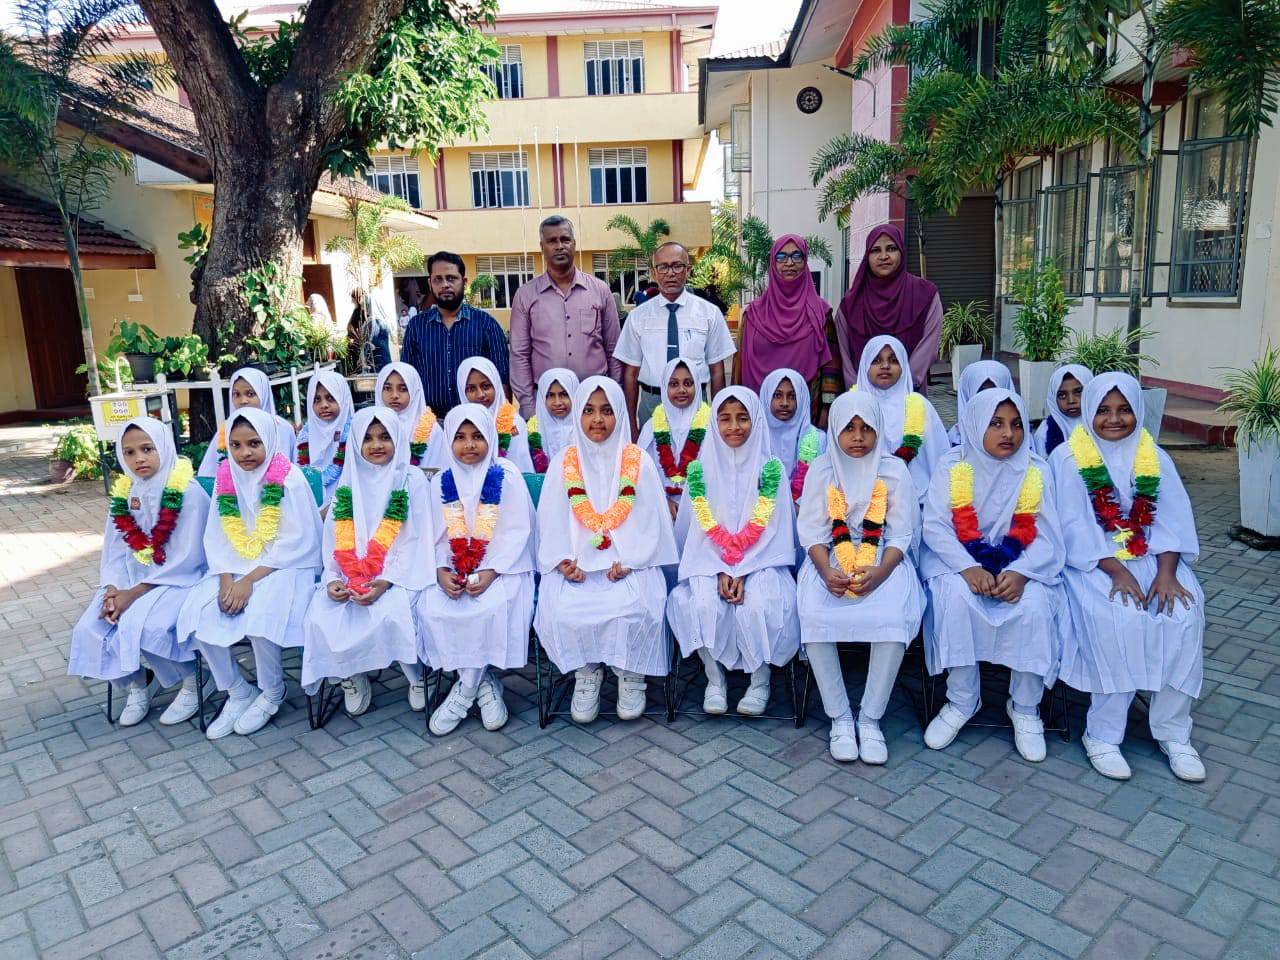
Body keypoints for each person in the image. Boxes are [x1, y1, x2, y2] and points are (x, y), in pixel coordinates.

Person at [1053, 373, 1206, 782]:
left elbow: (1172, 519)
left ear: (1138, 411)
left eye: (1124, 410)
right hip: (1094, 561)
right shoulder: (1068, 458)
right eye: (1103, 410)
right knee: (1119, 618)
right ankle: (1103, 734)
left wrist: (1168, 573)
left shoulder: (1153, 455)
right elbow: (1073, 528)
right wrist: (1118, 571)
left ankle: (1173, 732)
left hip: (1155, 558)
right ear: (1089, 412)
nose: (1114, 419)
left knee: (1184, 614)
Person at [920, 389, 1065, 763]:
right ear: (974, 425)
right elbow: (935, 526)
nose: (1009, 434)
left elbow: (1048, 536)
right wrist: (967, 567)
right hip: (959, 562)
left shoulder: (1036, 469)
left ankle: (1025, 707)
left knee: (1035, 607)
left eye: (1016, 424)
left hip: (1022, 567)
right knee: (954, 599)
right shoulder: (953, 465)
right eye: (996, 423)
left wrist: (1019, 572)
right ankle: (962, 699)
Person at [535, 377, 677, 723]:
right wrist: (563, 561)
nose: (597, 420)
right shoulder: (564, 462)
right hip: (577, 567)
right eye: (588, 410)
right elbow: (551, 522)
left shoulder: (638, 461)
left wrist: (629, 560)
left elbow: (652, 524)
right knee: (561, 607)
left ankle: (632, 674)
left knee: (636, 603)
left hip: (628, 564)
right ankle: (586, 673)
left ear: (620, 415)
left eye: (607, 411)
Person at [177, 408, 322, 739]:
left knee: (261, 616)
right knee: (198, 614)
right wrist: (226, 579)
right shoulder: (226, 478)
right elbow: (217, 535)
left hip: (285, 565)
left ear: (268, 441)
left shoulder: (288, 478)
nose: (245, 453)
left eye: (254, 443)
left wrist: (249, 581)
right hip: (234, 564)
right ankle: (238, 690)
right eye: (236, 445)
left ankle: (272, 690)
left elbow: (299, 540)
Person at [796, 392, 925, 764]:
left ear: (878, 430)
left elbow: (901, 534)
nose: (857, 437)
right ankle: (839, 717)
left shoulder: (894, 471)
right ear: (835, 430)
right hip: (829, 560)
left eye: (866, 428)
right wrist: (826, 572)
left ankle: (869, 719)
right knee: (814, 613)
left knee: (892, 616)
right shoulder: (822, 470)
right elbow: (811, 533)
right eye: (849, 428)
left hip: (884, 560)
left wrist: (882, 572)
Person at [69, 417, 211, 726]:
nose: (139, 459)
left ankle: (194, 680)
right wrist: (112, 590)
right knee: (89, 628)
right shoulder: (126, 495)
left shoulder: (188, 492)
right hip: (130, 581)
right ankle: (139, 681)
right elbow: (115, 551)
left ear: (164, 446)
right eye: (129, 452)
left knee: (146, 625)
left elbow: (188, 558)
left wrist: (132, 595)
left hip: (180, 580)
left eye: (147, 449)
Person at [667, 387, 799, 715]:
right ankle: (715, 680)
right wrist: (720, 570)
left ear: (756, 420)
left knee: (761, 603)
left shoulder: (771, 470)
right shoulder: (700, 471)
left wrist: (744, 570)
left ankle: (760, 680)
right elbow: (695, 533)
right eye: (725, 419)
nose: (734, 427)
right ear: (714, 423)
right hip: (709, 563)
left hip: (764, 563)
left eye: (742, 418)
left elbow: (778, 533)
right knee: (701, 602)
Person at [302, 407, 431, 716]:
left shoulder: (410, 479)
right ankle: (351, 674)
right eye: (368, 438)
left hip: (401, 573)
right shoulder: (347, 482)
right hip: (350, 572)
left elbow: (418, 539)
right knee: (322, 615)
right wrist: (334, 579)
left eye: (385, 437)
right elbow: (334, 542)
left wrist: (385, 580)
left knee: (392, 612)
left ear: (397, 439)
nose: (376, 445)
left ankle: (416, 677)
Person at [417, 404, 537, 735]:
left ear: (490, 438)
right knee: (432, 606)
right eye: (460, 437)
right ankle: (484, 685)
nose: (469, 445)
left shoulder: (506, 475)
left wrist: (491, 571)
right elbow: (435, 536)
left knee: (490, 607)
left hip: (505, 569)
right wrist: (441, 570)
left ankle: (464, 693)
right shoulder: (442, 480)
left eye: (477, 436)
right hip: (455, 568)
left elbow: (518, 532)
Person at [615, 241, 736, 436]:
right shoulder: (638, 317)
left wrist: (718, 418)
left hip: (697, 403)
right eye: (663, 267)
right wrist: (631, 424)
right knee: (653, 454)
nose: (670, 273)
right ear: (654, 273)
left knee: (697, 454)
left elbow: (717, 370)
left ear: (688, 270)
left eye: (677, 266)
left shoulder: (709, 314)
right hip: (652, 403)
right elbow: (630, 373)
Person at [509, 215, 622, 417]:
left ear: (574, 244)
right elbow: (519, 354)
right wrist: (528, 406)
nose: (559, 246)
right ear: (542, 247)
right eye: (552, 241)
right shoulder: (525, 295)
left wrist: (613, 395)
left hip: (595, 398)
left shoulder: (600, 290)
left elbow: (613, 348)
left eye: (565, 239)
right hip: (547, 402)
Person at [737, 236, 842, 425]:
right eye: (781, 257)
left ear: (805, 261)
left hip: (807, 414)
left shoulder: (821, 313)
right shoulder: (752, 315)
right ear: (773, 263)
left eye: (796, 256)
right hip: (759, 414)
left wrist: (827, 411)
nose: (789, 263)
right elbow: (739, 366)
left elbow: (831, 366)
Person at [399, 252, 511, 416]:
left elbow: (502, 380)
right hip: (430, 423)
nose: (445, 285)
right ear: (430, 283)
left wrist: (502, 423)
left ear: (464, 282)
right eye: (438, 279)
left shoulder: (486, 324)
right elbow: (406, 379)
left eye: (451, 278)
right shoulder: (416, 327)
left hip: (476, 421)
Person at [836, 224, 942, 393]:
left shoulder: (925, 294)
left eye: (891, 248)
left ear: (901, 252)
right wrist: (857, 388)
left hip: (909, 395)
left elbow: (928, 346)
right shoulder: (851, 302)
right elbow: (843, 353)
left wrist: (906, 384)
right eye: (875, 250)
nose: (884, 256)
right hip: (862, 397)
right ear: (867, 256)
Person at [855, 336, 949, 503]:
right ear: (864, 366)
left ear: (904, 366)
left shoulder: (921, 406)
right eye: (876, 360)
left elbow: (939, 458)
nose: (885, 366)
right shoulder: (852, 407)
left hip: (915, 499)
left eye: (894, 360)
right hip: (862, 498)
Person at [636, 358, 710, 523]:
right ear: (664, 387)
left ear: (698, 386)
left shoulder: (710, 426)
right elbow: (642, 475)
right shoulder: (651, 427)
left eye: (688, 383)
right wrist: (662, 501)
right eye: (674, 384)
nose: (681, 390)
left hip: (702, 509)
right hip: (660, 508)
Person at [198, 367, 296, 478]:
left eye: (250, 394)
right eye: (236, 394)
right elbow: (209, 473)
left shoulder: (282, 428)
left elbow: (292, 469)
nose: (243, 401)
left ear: (263, 393)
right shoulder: (226, 430)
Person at [456, 356, 534, 472]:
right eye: (471, 389)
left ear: (496, 384)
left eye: (486, 386)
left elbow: (521, 468)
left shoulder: (514, 423)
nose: (480, 394)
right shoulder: (458, 427)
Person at [296, 370, 354, 508]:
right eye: (317, 399)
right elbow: (299, 473)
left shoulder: (354, 432)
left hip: (345, 504)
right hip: (309, 501)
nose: (324, 405)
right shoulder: (304, 436)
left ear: (342, 398)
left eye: (330, 398)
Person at [375, 362, 442, 470]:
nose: (394, 395)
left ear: (414, 391)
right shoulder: (371, 428)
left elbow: (439, 470)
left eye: (403, 389)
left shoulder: (433, 430)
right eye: (387, 388)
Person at [1032, 364, 1094, 458]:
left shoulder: (1104, 424)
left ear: (1091, 391)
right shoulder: (1044, 432)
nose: (1071, 401)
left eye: (1078, 392)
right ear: (1053, 398)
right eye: (1062, 395)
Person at [948, 360, 1016, 445]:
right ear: (967, 396)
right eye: (981, 394)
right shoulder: (952, 441)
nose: (988, 401)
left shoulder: (1023, 441)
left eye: (994, 393)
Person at [528, 368, 581, 473]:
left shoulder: (585, 430)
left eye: (564, 394)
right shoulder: (534, 432)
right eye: (551, 395)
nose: (557, 402)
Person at [347, 290, 393, 372]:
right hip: (384, 360)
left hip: (376, 362)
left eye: (366, 305)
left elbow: (369, 342)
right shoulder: (383, 322)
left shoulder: (373, 322)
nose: (364, 308)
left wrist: (361, 357)